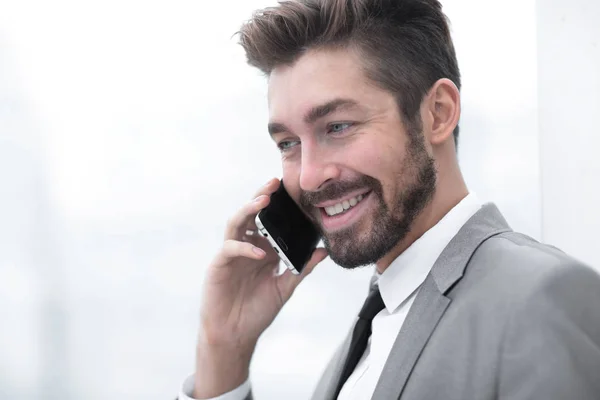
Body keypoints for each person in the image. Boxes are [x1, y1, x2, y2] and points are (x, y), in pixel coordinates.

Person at [178, 0, 600, 399]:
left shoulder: (541, 300)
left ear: (437, 112)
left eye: (338, 126)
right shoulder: (361, 346)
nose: (307, 176)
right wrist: (224, 351)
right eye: (288, 143)